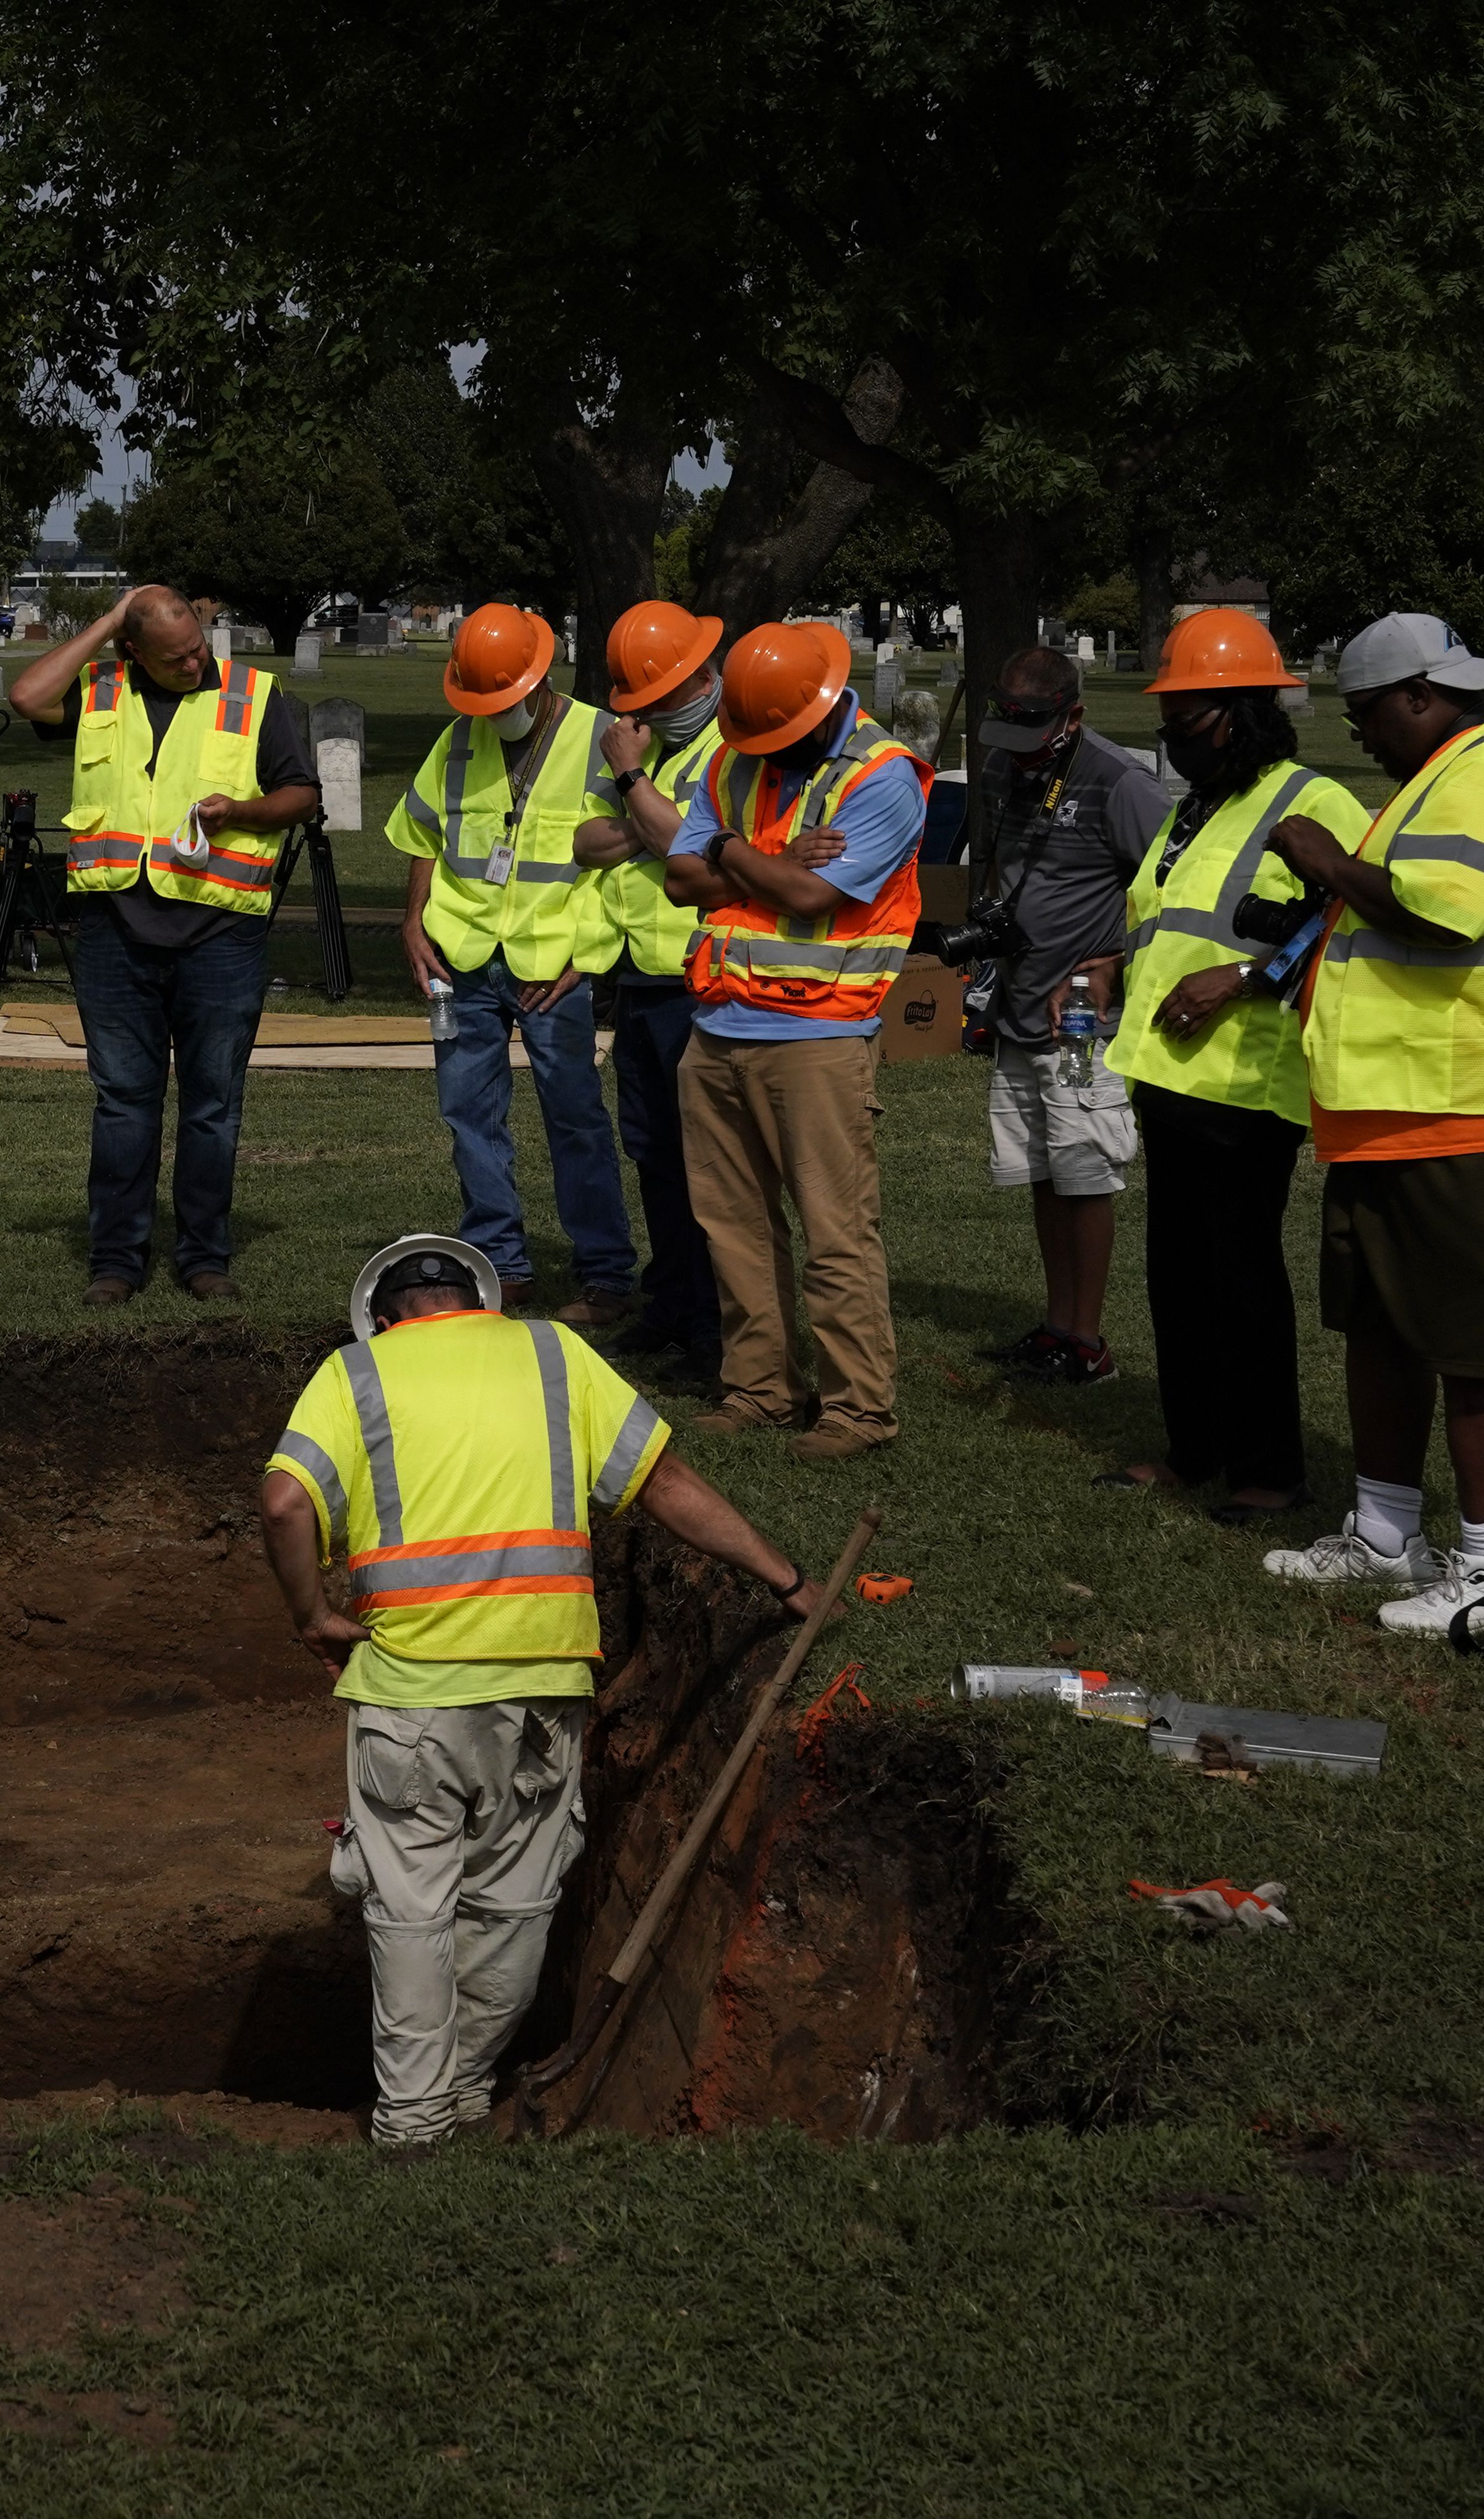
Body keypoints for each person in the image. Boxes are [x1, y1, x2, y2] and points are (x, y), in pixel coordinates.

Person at [258, 1234, 826, 2147]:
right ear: (478, 1300)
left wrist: (313, 1617)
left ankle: (411, 2125)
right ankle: (468, 2090)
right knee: (514, 1906)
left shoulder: (354, 1375)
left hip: (410, 1695)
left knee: (411, 1915)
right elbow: (665, 1483)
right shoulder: (557, 1355)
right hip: (543, 1694)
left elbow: (285, 1504)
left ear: (386, 1316)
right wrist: (788, 1578)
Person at [1260, 612, 1484, 1637]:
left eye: (1366, 714)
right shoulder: (1436, 776)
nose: (1359, 734)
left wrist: (1326, 859)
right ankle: (1383, 1534)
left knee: (1471, 1345)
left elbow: (1446, 910)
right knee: (1381, 1329)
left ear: (1420, 696)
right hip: (1400, 1113)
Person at [1090, 608, 1369, 1520]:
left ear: (1247, 713)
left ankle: (1268, 1471)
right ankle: (1195, 1447)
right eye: (1170, 721)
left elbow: (1346, 928)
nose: (1174, 738)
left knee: (1242, 1278)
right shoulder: (1197, 809)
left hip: (1247, 1084)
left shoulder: (1314, 803)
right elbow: (1170, 921)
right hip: (1168, 1074)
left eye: (1192, 720)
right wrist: (1114, 964)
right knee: (1179, 1275)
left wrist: (1244, 977)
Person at [659, 623, 928, 1460]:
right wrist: (764, 852)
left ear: (822, 711)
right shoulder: (732, 759)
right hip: (717, 1026)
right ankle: (761, 1390)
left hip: (821, 1033)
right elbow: (678, 877)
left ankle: (858, 1409)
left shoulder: (884, 780)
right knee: (733, 1225)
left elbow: (811, 896)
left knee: (834, 1229)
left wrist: (730, 852)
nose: (765, 754)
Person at [7, 585, 320, 1305]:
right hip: (115, 934)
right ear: (132, 651)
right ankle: (116, 1260)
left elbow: (300, 794)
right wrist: (112, 617)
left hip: (221, 935)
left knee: (213, 1104)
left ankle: (204, 1258)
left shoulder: (251, 695)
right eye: (175, 655)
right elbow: (27, 696)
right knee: (124, 1102)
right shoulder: (100, 690)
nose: (195, 660)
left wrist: (239, 810)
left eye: (198, 645)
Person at [387, 602, 638, 1323]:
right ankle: (500, 1263)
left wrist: (588, 957)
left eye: (506, 698)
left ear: (542, 676)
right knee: (469, 1115)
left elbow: (628, 861)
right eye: (483, 700)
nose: (495, 713)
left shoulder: (602, 740)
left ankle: (605, 1275)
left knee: (575, 1119)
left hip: (552, 968)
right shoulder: (460, 738)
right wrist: (412, 919)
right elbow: (420, 830)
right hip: (462, 956)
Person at [964, 644, 1166, 1385]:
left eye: (1033, 739)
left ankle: (1089, 1344)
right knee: (1044, 1172)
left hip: (1082, 1022)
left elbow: (1174, 894)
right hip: (1020, 1006)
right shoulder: (1001, 766)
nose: (1015, 759)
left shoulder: (1120, 783)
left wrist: (1114, 964)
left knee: (1085, 1174)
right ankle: (1059, 1328)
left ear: (1073, 717)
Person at [572, 600, 729, 1373]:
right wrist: (651, 813)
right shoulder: (657, 754)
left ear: (700, 678)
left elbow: (690, 844)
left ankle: (713, 1323)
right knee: (653, 1151)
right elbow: (587, 841)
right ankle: (671, 1303)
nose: (639, 715)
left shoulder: (729, 746)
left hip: (699, 979)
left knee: (702, 1158)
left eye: (655, 699)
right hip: (637, 976)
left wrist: (632, 782)